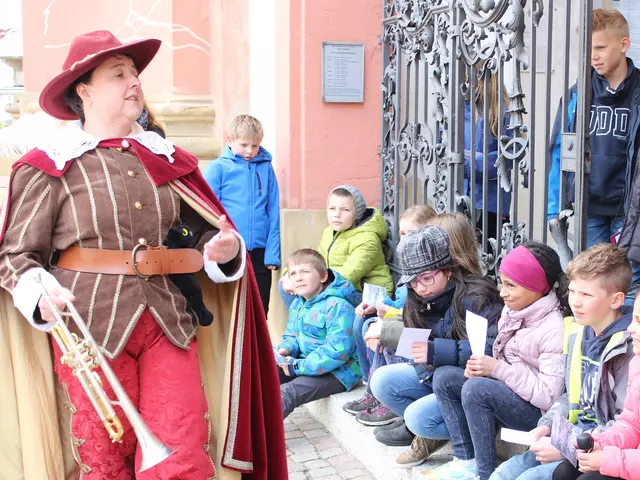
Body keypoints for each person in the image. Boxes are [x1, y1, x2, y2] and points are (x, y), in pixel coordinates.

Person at [0, 30, 286, 479]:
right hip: (88, 329)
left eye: (135, 72)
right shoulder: (48, 166)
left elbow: (196, 232)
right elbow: (14, 256)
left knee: (182, 454)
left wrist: (222, 250)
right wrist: (38, 291)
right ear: (85, 90)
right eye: (119, 74)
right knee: (104, 460)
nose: (134, 81)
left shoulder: (169, 160)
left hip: (168, 323)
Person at [426, 243, 569, 480]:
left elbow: (549, 396)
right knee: (445, 378)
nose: (502, 292)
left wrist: (498, 370)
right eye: (502, 282)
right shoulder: (514, 310)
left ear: (537, 287)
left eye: (511, 285)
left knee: (476, 389)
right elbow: (506, 363)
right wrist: (485, 369)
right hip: (514, 393)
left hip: (539, 415)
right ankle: (465, 459)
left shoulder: (553, 327)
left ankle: (484, 473)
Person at [492, 243, 634, 480]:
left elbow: (624, 424)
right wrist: (547, 425)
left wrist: (566, 446)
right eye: (574, 291)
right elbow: (570, 395)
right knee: (503, 473)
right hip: (565, 436)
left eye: (586, 294)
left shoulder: (628, 349)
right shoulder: (577, 331)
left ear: (616, 300)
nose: (575, 302)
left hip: (595, 448)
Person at [366, 227, 503, 452]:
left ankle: (470, 430)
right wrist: (390, 335)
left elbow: (492, 348)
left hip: (472, 386)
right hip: (437, 377)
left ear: (448, 270)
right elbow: (421, 344)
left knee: (417, 418)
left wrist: (434, 351)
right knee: (381, 381)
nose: (419, 288)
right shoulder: (417, 297)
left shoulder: (477, 295)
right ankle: (442, 426)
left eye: (427, 278)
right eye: (412, 282)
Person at [549, 10, 640, 252]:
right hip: (588, 208)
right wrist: (553, 207)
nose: (593, 56)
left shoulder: (638, 93)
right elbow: (560, 150)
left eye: (600, 47)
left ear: (624, 45)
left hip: (630, 211)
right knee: (595, 279)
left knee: (628, 280)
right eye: (588, 48)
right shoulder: (578, 93)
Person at [343, 204, 436, 427]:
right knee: (365, 323)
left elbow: (418, 314)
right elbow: (401, 305)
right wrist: (380, 308)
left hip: (419, 337)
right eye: (402, 234)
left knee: (382, 335)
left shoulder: (429, 270)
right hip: (401, 322)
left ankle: (389, 398)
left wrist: (388, 318)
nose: (404, 239)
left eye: (411, 233)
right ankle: (373, 389)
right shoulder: (406, 266)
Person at [203, 115, 280, 316]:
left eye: (255, 146)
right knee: (233, 310)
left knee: (261, 309)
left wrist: (273, 253)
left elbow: (273, 211)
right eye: (244, 144)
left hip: (261, 252)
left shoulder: (265, 167)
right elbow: (208, 211)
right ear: (229, 140)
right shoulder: (216, 168)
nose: (249, 151)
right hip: (232, 249)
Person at [559, 295, 640, 480]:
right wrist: (600, 443)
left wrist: (608, 460)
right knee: (565, 472)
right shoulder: (637, 363)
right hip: (631, 459)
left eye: (639, 321)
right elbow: (630, 425)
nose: (630, 328)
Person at [276, 249, 361, 418]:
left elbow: (337, 351)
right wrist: (285, 350)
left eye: (305, 272)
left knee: (286, 393)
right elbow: (292, 335)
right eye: (293, 274)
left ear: (323, 276)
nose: (298, 277)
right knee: (261, 376)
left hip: (339, 372)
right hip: (307, 363)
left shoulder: (338, 306)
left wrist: (297, 366)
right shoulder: (298, 304)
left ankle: (265, 442)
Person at [279, 184, 394, 301]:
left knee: (312, 290)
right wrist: (289, 275)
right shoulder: (329, 232)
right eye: (332, 208)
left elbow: (347, 276)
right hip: (339, 286)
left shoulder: (368, 239)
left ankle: (312, 317)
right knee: (289, 285)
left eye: (345, 210)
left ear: (357, 214)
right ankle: (304, 318)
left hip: (367, 295)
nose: (337, 215)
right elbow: (315, 262)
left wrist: (310, 282)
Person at [464, 70, 511, 240]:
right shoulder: (458, 112)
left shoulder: (504, 113)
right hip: (459, 198)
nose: (468, 84)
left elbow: (504, 159)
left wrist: (467, 161)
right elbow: (446, 151)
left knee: (489, 258)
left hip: (490, 203)